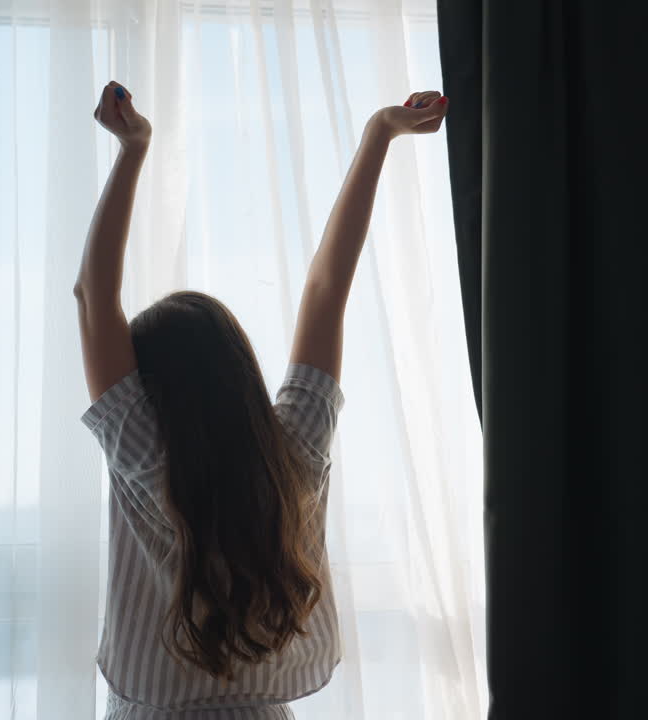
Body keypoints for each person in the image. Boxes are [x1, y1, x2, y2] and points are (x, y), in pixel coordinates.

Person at [74, 80, 449, 719]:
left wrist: (133, 149)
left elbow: (92, 294)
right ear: (239, 369)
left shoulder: (143, 450)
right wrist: (379, 135)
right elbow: (327, 288)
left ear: (149, 385)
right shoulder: (294, 454)